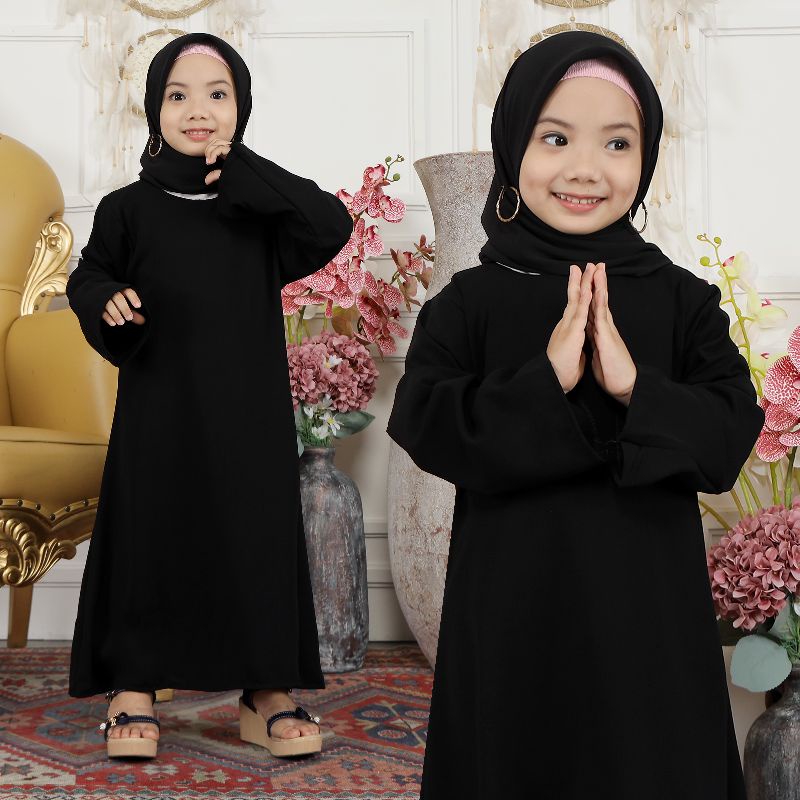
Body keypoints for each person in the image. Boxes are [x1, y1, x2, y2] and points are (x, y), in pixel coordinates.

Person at [387, 30, 764, 799]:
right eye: (556, 138)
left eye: (617, 143)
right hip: (513, 611)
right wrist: (546, 380)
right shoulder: (470, 301)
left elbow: (728, 434)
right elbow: (423, 418)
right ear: (512, 147)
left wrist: (634, 388)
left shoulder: (683, 301)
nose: (586, 168)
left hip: (649, 619)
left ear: (646, 159)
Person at [66, 32, 352, 760]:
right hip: (159, 408)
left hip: (247, 411)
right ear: (154, 108)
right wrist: (106, 298)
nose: (198, 110)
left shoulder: (257, 208)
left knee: (255, 535)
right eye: (179, 95)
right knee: (150, 531)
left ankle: (266, 690)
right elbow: (88, 275)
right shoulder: (128, 208)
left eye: (217, 95)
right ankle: (133, 683)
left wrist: (247, 169)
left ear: (241, 108)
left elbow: (331, 224)